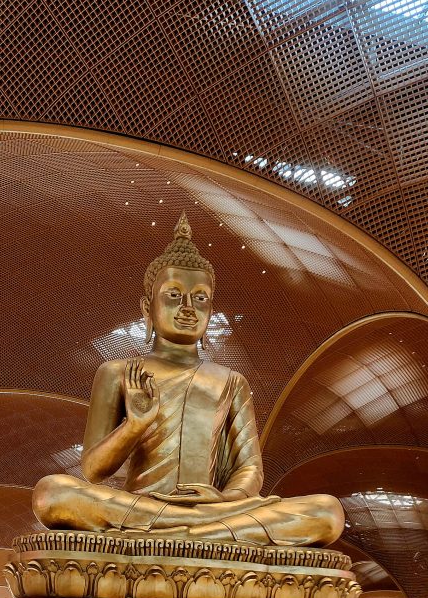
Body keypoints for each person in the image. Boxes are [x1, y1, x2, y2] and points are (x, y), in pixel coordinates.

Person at [33, 215, 344, 547]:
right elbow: (93, 470)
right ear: (147, 308)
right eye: (173, 295)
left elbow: (250, 469)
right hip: (142, 505)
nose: (187, 307)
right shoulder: (118, 372)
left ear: (210, 310)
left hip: (212, 509)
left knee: (328, 512)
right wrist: (135, 426)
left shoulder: (231, 381)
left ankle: (178, 534)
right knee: (51, 493)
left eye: (200, 298)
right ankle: (202, 535)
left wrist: (223, 499)